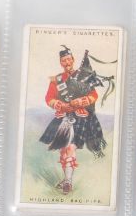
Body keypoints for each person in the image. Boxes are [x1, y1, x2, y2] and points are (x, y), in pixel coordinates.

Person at [39, 46, 107, 194]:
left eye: (69, 59)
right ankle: (66, 178)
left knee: (70, 147)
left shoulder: (83, 76)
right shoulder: (56, 80)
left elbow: (93, 95)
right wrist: (59, 104)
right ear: (61, 62)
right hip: (63, 116)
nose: (67, 62)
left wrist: (82, 101)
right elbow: (49, 98)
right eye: (64, 60)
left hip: (80, 117)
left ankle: (68, 182)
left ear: (73, 60)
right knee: (63, 150)